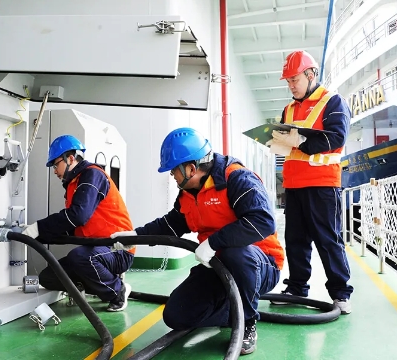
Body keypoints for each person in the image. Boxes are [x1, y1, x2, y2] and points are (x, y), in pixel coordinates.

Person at [112, 127, 283, 355]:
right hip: (218, 267)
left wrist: (214, 242)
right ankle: (235, 310)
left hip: (261, 266)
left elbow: (263, 221)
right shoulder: (187, 194)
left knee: (235, 253)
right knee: (176, 315)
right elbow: (170, 225)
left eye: (174, 171)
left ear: (191, 168)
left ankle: (247, 322)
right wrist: (134, 236)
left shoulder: (238, 179)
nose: (172, 176)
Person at [266, 50, 354, 314]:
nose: (291, 86)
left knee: (328, 239)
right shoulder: (288, 109)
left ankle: (340, 293)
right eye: (288, 81)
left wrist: (303, 143)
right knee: (295, 240)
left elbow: (336, 137)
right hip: (294, 185)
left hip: (322, 184)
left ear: (310, 74)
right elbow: (284, 142)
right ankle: (296, 287)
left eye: (295, 80)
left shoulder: (333, 101)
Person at [21, 134, 135, 312]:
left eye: (55, 164)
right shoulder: (73, 184)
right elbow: (73, 225)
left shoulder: (92, 175)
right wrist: (38, 235)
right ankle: (94, 285)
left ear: (71, 159)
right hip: (95, 248)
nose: (54, 171)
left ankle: (118, 291)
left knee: (80, 257)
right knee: (48, 277)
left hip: (117, 250)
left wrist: (38, 227)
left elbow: (78, 216)